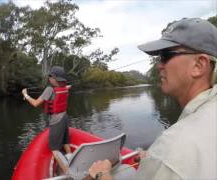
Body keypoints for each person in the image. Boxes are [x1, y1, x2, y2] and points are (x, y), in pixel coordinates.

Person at [88, 18, 217, 180]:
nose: (159, 65)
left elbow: (174, 155)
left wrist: (101, 174)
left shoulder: (171, 149)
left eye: (165, 56)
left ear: (199, 65)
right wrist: (154, 161)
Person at [22, 66, 72, 174]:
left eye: (50, 76)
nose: (49, 78)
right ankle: (72, 161)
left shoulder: (49, 89)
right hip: (65, 117)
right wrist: (67, 86)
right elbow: (67, 87)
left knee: (54, 149)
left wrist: (25, 94)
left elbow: (35, 103)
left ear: (55, 78)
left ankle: (69, 173)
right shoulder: (64, 88)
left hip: (56, 121)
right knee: (66, 142)